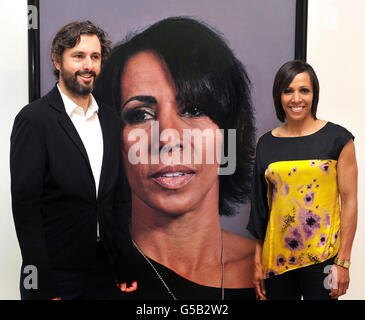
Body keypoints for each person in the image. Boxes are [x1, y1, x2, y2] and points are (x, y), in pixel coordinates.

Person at [92, 16, 257, 300]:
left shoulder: (274, 268)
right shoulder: (81, 272)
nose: (168, 137)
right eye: (140, 115)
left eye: (193, 110)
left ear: (228, 132)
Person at [10, 20, 135, 300]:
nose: (87, 65)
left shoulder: (110, 119)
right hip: (56, 274)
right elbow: (25, 208)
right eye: (78, 56)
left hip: (104, 270)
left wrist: (124, 261)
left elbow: (119, 198)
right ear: (57, 60)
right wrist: (42, 282)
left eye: (95, 57)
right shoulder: (34, 120)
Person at [247, 60, 358, 300]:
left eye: (304, 90)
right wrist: (258, 262)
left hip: (324, 259)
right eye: (288, 91)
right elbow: (260, 210)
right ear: (279, 96)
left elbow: (349, 202)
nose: (296, 98)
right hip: (276, 262)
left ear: (314, 95)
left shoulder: (338, 139)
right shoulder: (266, 143)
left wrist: (343, 262)